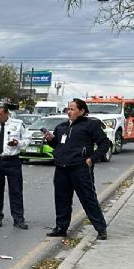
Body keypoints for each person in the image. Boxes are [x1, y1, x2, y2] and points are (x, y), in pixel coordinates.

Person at [44, 98, 112, 240]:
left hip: (80, 169)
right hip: (62, 169)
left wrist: (92, 158)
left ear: (81, 111)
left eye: (73, 109)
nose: (69, 112)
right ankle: (61, 228)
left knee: (88, 198)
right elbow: (57, 145)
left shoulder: (91, 125)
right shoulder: (62, 127)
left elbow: (105, 143)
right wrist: (50, 140)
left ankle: (101, 228)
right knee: (62, 199)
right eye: (68, 109)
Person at [0, 105, 29, 229]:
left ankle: (18, 219)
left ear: (7, 114)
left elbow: (27, 140)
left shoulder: (18, 124)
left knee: (16, 191)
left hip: (12, 161)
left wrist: (17, 143)